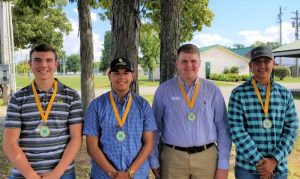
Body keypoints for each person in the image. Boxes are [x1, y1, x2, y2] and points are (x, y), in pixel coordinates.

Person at [150, 43, 232, 179]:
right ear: (177, 63)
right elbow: (155, 128)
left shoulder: (213, 90)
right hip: (173, 158)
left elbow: (223, 129)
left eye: (193, 61)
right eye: (184, 61)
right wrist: (153, 159)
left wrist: (223, 165)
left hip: (207, 159)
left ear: (199, 63)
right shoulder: (164, 90)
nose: (189, 65)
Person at [3, 44, 83, 179]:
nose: (43, 65)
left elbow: (76, 138)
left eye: (49, 60)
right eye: (38, 60)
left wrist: (56, 173)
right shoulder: (18, 98)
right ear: (30, 63)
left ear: (56, 64)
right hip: (24, 173)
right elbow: (9, 143)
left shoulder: (71, 96)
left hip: (63, 173)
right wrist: (30, 174)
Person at [228, 46, 299, 179]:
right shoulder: (238, 94)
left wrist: (273, 160)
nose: (262, 65)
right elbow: (236, 130)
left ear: (274, 63)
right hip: (247, 169)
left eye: (266, 61)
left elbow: (291, 129)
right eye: (257, 61)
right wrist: (260, 162)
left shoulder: (285, 94)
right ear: (250, 65)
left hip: (278, 168)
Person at [83, 58, 157, 179]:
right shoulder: (96, 105)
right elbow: (92, 147)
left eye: (126, 73)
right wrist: (113, 174)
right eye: (116, 73)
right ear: (109, 76)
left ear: (132, 76)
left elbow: (148, 143)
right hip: (103, 175)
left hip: (137, 175)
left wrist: (130, 173)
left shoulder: (143, 106)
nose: (121, 77)